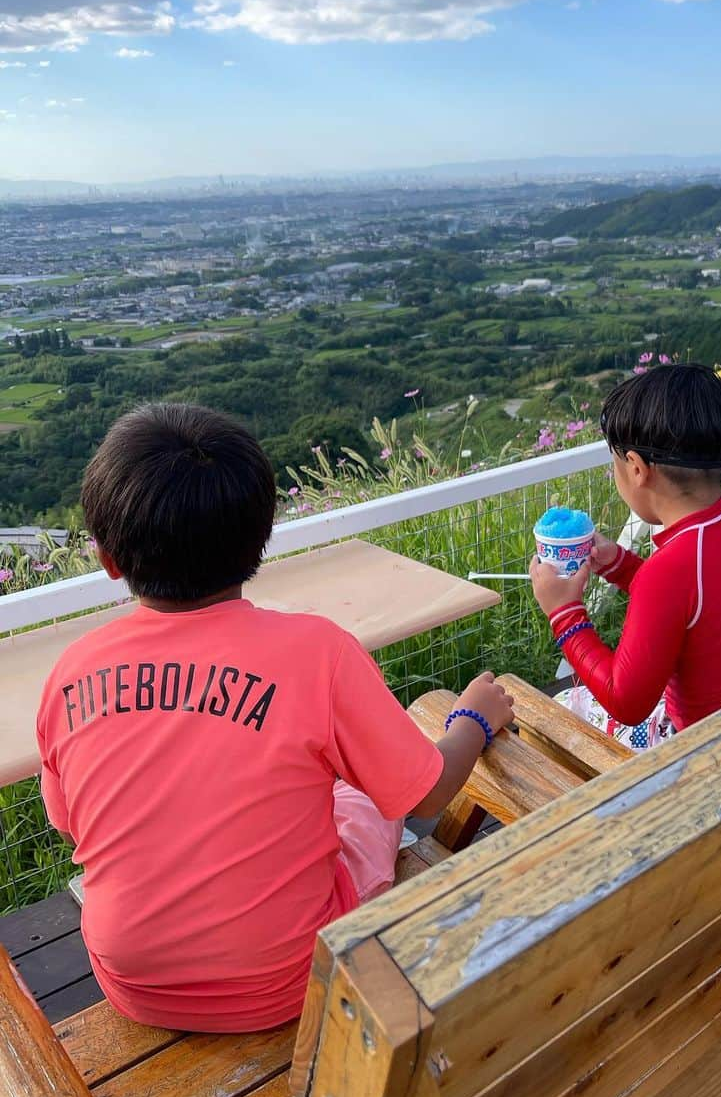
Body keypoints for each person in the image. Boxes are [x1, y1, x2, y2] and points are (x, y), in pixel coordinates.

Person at [36, 403, 512, 1032]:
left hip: (133, 985)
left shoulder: (72, 673)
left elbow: (74, 831)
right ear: (261, 541)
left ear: (109, 559)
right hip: (288, 981)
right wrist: (471, 724)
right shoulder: (318, 653)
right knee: (365, 802)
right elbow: (426, 795)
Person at [529, 363, 721, 749]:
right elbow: (696, 603)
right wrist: (621, 565)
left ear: (638, 469)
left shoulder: (669, 571)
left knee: (558, 709)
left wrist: (565, 614)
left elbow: (626, 703)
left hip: (712, 752)